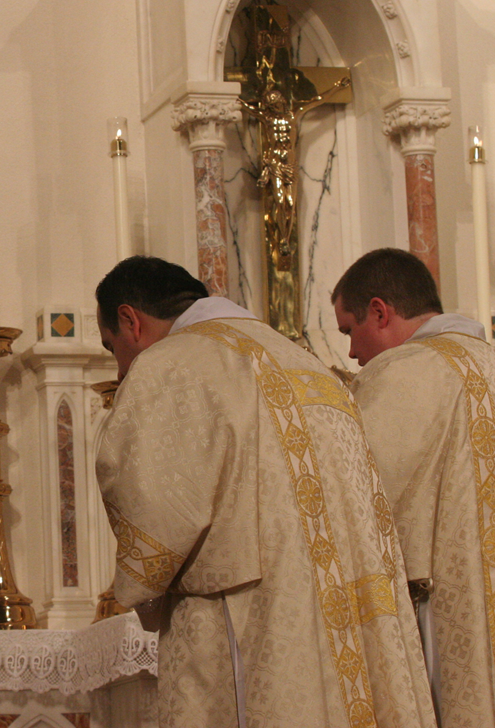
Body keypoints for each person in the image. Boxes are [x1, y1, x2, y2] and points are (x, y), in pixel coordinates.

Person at [94, 255, 436, 727]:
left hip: (252, 620)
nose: (120, 372)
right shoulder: (310, 366)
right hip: (342, 618)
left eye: (113, 348)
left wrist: (139, 585)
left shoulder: (169, 365)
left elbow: (148, 501)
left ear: (130, 319)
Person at [334, 247, 495, 728]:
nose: (352, 352)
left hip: (454, 616)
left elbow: (354, 500)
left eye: (350, 330)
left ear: (380, 311)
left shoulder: (402, 373)